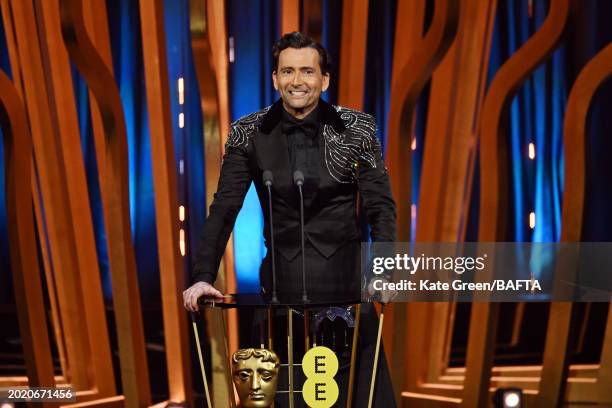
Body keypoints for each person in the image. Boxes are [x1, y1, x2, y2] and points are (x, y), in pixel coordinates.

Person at [183, 32, 397, 407]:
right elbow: (225, 207)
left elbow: (381, 207)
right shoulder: (247, 132)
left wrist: (384, 271)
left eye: (307, 71)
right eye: (288, 71)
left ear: (325, 80)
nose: (297, 81)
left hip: (346, 295)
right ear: (275, 78)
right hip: (279, 300)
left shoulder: (357, 129)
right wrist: (203, 276)